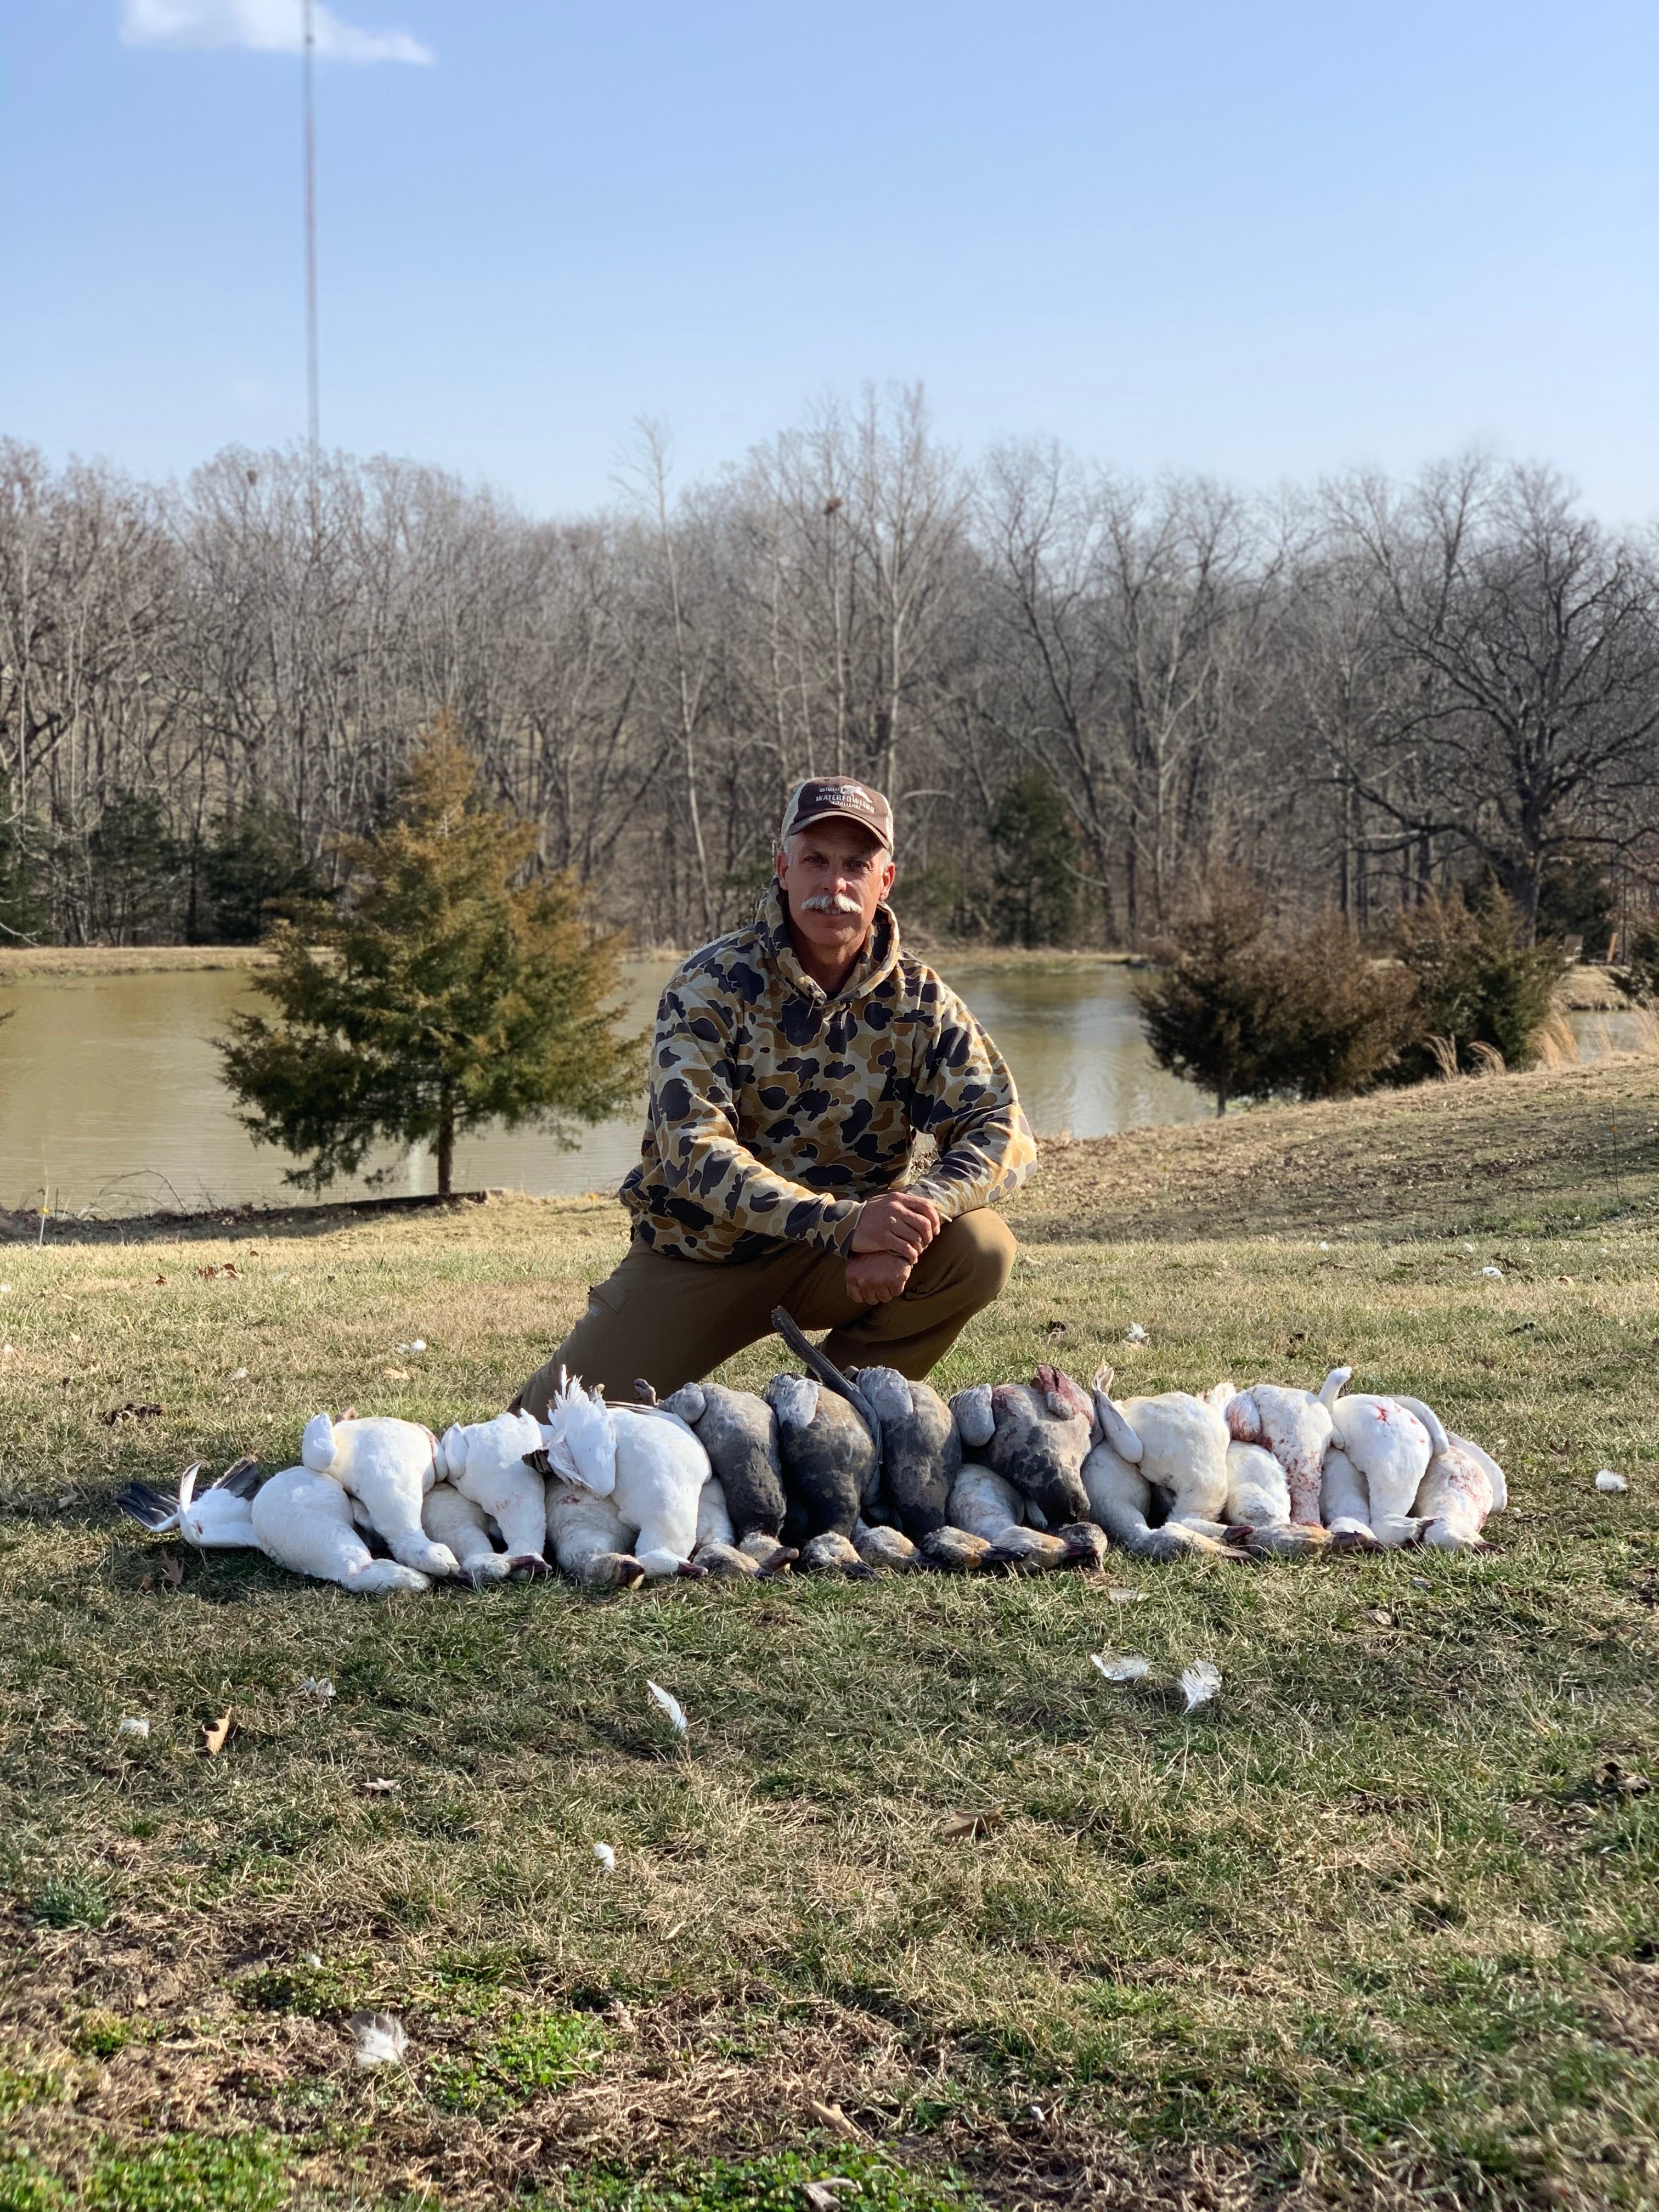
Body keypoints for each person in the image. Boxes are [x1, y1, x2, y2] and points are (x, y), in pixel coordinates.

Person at [514, 777, 1036, 1414]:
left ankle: (827, 1420)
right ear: (782, 866)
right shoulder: (710, 984)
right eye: (815, 860)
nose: (834, 885)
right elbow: (693, 1152)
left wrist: (911, 1219)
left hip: (844, 1260)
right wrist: (847, 1225)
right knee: (543, 1434)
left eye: (856, 866)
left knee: (979, 1250)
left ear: (886, 880)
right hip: (704, 1256)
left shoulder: (919, 999)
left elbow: (1002, 1129)